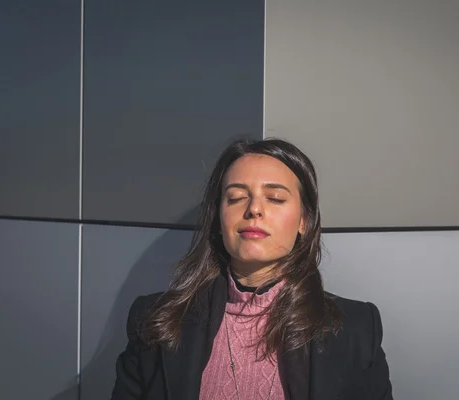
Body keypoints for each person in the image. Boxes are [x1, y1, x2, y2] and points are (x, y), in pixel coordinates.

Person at [111, 138, 394, 399]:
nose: (254, 209)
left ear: (303, 222)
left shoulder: (356, 330)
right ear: (218, 219)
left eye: (275, 198)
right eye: (235, 197)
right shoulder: (156, 321)